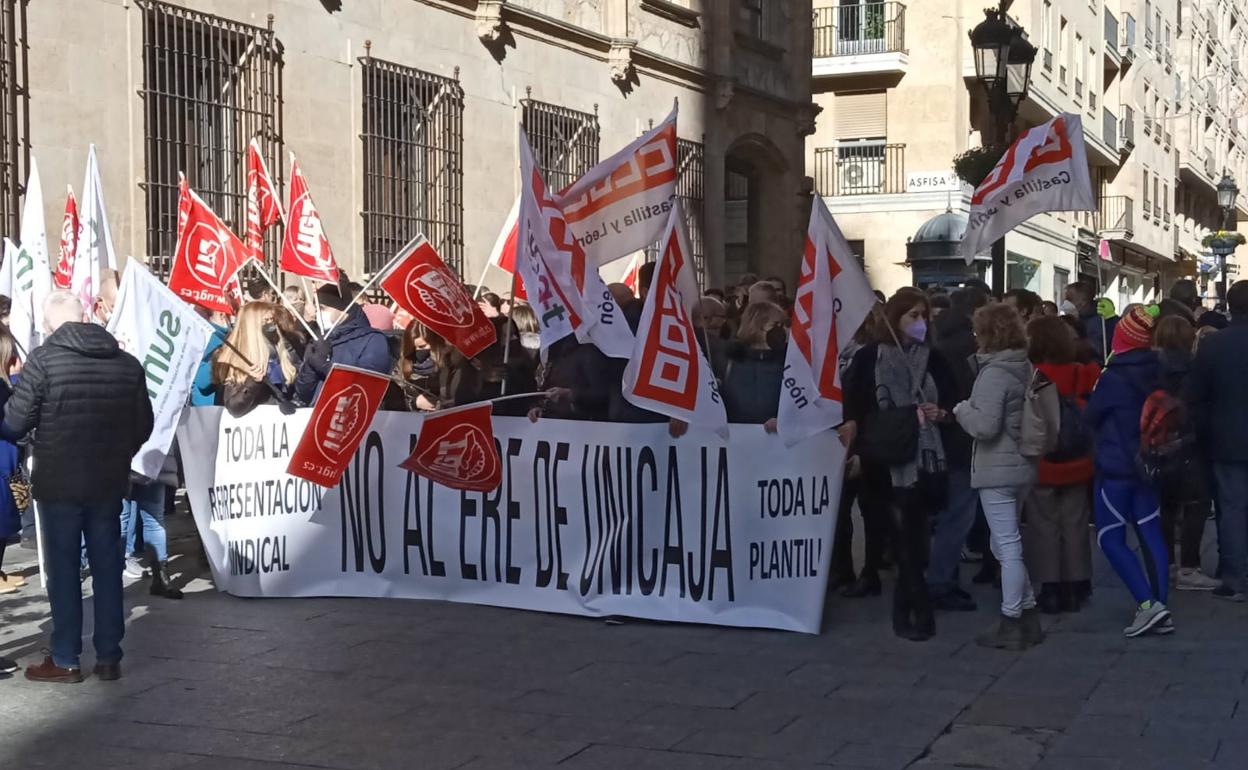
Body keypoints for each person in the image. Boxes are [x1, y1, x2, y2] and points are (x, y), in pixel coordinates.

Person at [3, 290, 153, 683]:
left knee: (64, 569)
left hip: (59, 481)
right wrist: (119, 452)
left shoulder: (43, 360)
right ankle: (108, 656)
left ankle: (66, 656)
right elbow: (144, 426)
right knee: (107, 567)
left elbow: (15, 424)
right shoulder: (127, 363)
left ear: (51, 325)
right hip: (107, 480)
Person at [844, 288, 956, 641]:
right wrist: (854, 443)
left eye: (924, 315)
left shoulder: (935, 358)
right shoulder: (869, 358)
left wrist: (943, 413)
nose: (920, 322)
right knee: (895, 530)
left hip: (923, 455)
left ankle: (909, 604)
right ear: (895, 318)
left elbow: (955, 399)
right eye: (913, 316)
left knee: (912, 530)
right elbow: (855, 404)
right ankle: (913, 604)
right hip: (882, 455)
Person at [954, 304, 1042, 649]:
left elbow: (985, 427)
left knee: (1006, 545)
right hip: (1021, 464)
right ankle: (1029, 614)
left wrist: (962, 410)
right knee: (1004, 542)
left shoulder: (995, 373)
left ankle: (1011, 620)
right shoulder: (1023, 365)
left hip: (997, 467)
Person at [1086, 305, 1172, 635]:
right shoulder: (1157, 370)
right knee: (1151, 532)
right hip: (1149, 462)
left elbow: (1091, 417)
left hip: (1116, 464)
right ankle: (1159, 603)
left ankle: (1149, 605)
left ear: (1121, 337)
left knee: (1110, 538)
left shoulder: (1113, 377)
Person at [1023, 316, 1099, 613]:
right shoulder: (1082, 372)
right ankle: (1077, 583)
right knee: (1075, 521)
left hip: (1043, 459)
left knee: (1043, 524)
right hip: (1078, 458)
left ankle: (1051, 587)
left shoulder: (1032, 375)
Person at [927, 287, 988, 611]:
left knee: (949, 513)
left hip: (940, 438)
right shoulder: (968, 349)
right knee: (958, 515)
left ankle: (941, 577)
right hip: (961, 438)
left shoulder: (938, 342)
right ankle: (940, 581)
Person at [1187, 280, 1248, 602]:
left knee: (1232, 508)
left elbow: (1195, 395)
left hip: (1227, 437)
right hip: (1227, 434)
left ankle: (1235, 577)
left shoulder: (1214, 345)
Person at [1153, 315, 1219, 591]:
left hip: (1158, 442)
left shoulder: (1151, 367)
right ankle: (1189, 567)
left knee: (1165, 506)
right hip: (1190, 442)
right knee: (1196, 503)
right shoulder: (1196, 367)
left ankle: (1166, 564)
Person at [295, 279, 393, 403]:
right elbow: (303, 394)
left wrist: (327, 367)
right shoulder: (319, 338)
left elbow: (367, 387)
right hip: (318, 415)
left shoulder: (372, 340)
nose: (317, 313)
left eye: (322, 308)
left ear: (342, 308)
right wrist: (309, 366)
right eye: (317, 308)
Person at [212, 302, 299, 418]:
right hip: (255, 428)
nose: (272, 325)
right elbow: (234, 408)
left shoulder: (282, 351)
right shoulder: (235, 359)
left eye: (272, 320)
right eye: (266, 321)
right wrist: (252, 383)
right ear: (253, 326)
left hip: (282, 425)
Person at [720, 302, 786, 430]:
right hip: (736, 440)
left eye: (781, 325)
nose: (780, 330)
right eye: (775, 325)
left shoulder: (788, 361)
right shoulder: (728, 360)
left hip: (777, 443)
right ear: (757, 326)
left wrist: (785, 421)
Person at [1065, 280, 1108, 363]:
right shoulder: (1078, 318)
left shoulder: (1097, 321)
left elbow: (1097, 347)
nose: (1065, 303)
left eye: (1069, 299)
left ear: (1083, 302)